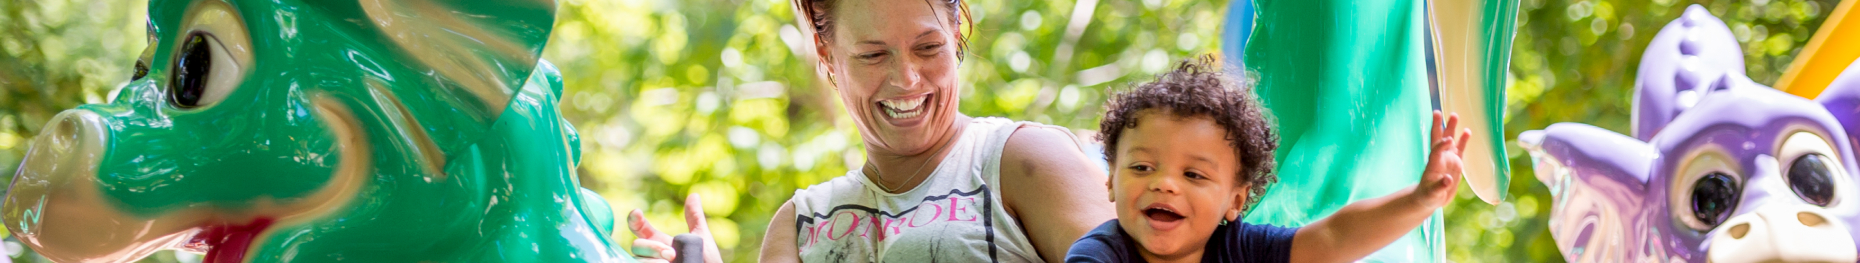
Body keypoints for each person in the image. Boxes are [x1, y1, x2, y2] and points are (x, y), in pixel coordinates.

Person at [625, 0, 1115, 262]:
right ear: (827, 56)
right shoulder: (800, 222)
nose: (907, 79)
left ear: (956, 35)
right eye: (873, 54)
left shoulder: (1022, 159)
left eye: (928, 48)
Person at [1065, 59, 1469, 262]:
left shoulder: (1238, 248)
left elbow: (1333, 239)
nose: (1164, 183)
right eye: (1141, 168)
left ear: (1235, 201)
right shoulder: (1100, 253)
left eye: (1193, 174)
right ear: (1110, 180)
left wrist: (1420, 200)